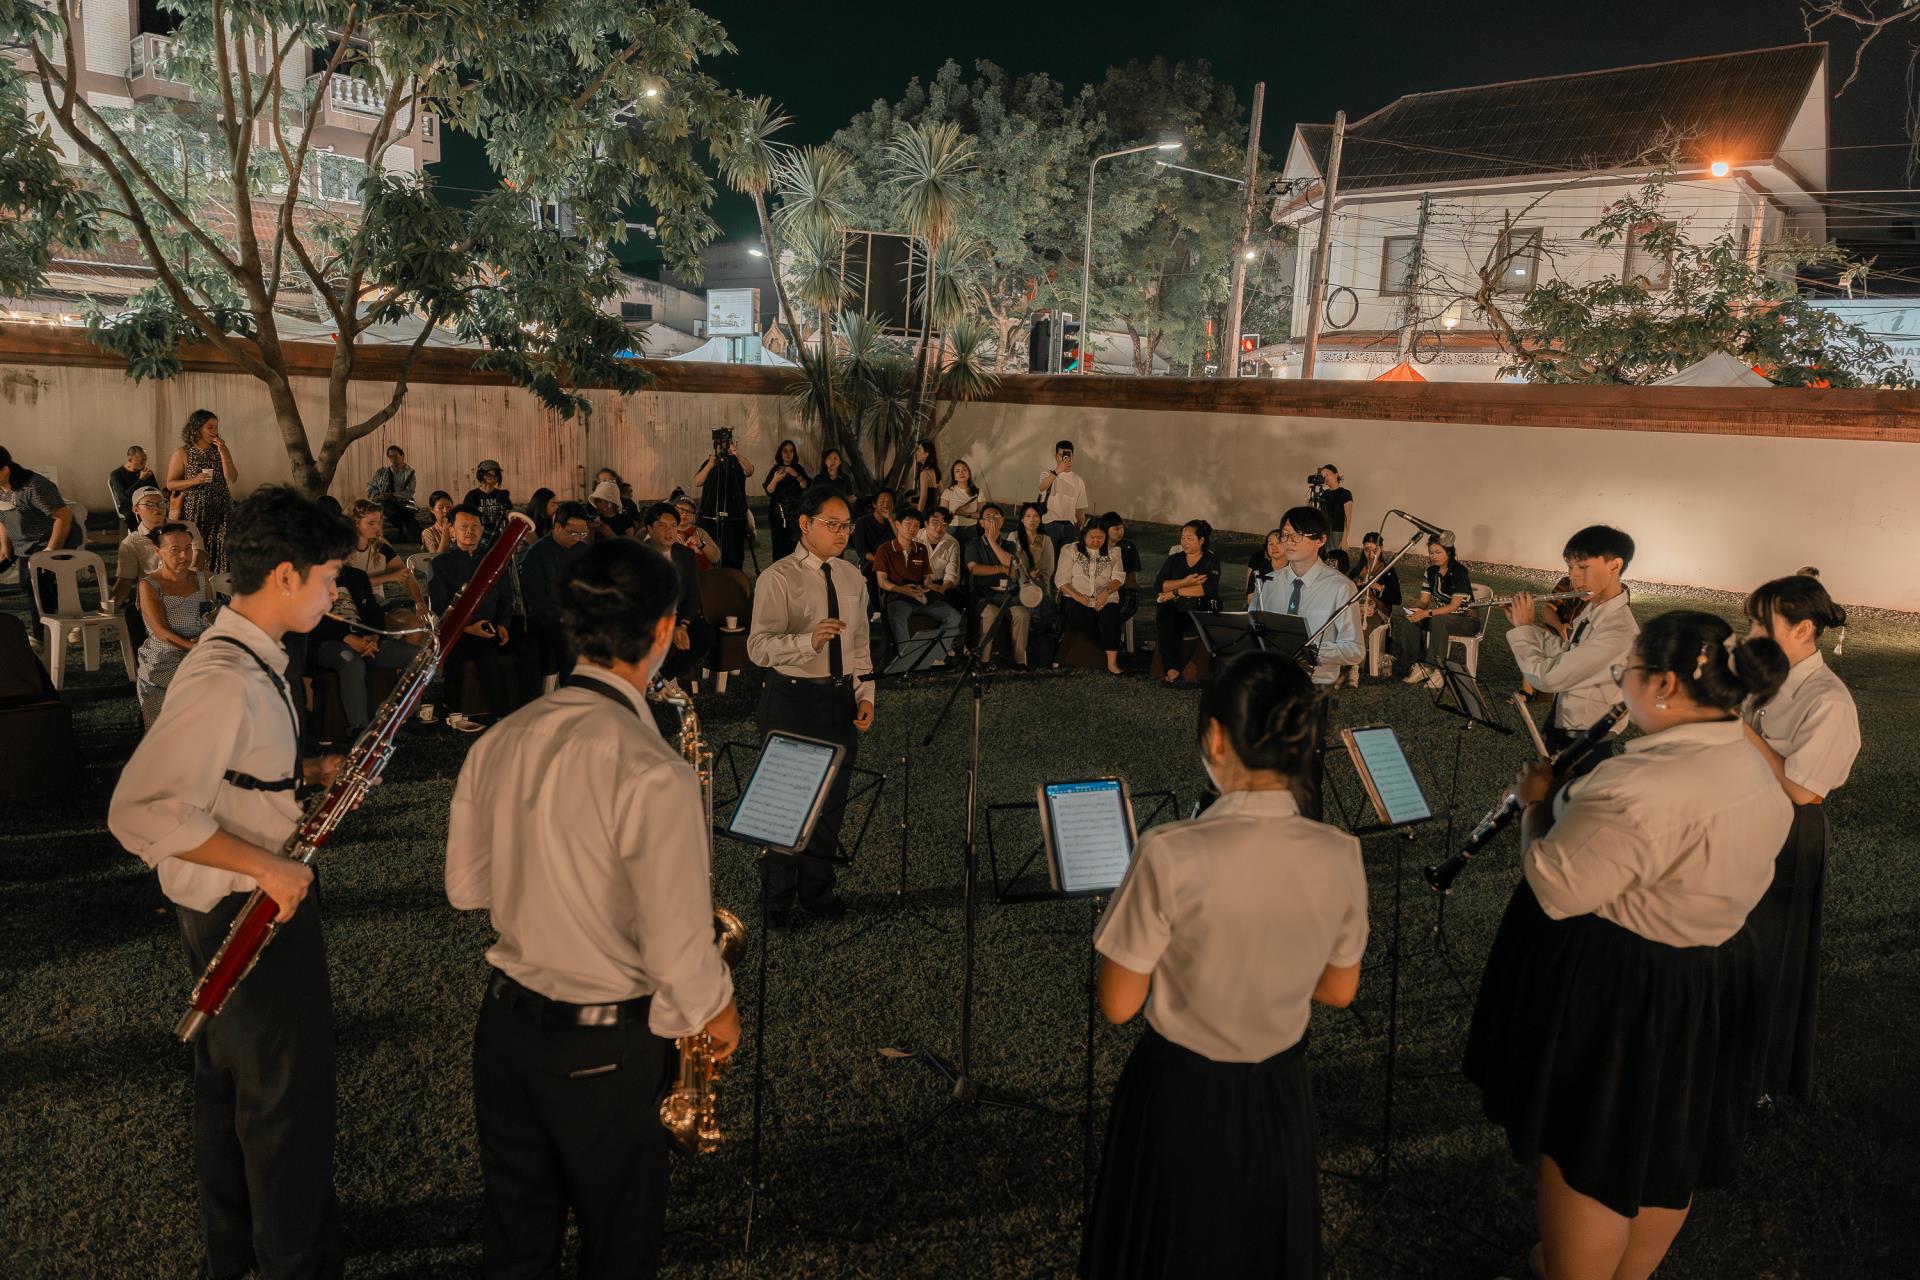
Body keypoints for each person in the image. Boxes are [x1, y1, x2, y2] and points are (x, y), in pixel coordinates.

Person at [445, 537, 741, 1280]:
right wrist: (719, 1012)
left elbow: (466, 890)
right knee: (619, 1248)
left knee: (516, 1246)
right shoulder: (652, 770)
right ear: (665, 628)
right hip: (605, 1049)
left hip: (504, 1033)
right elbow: (677, 950)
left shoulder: (500, 739)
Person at [1463, 611, 1792, 1280]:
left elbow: (1556, 886)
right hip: (1708, 980)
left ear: (1665, 684)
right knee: (1665, 1144)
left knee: (1590, 1146)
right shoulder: (1753, 766)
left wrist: (1536, 804)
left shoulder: (1635, 787)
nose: (1623, 684)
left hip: (1625, 986)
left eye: (1627, 672)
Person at [107, 486, 356, 1280]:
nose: (334, 593)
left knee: (229, 1083)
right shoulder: (225, 676)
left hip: (229, 900)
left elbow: (231, 773)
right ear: (285, 575)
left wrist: (308, 774)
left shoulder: (251, 659)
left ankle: (240, 1251)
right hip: (247, 906)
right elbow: (141, 810)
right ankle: (292, 1260)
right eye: (328, 577)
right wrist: (270, 865)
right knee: (285, 1098)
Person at [1083, 650, 1366, 1279]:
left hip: (1181, 1092)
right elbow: (1339, 989)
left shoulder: (1169, 851)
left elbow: (1119, 1004)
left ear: (1215, 737)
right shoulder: (1340, 852)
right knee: (1262, 1245)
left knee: (1170, 1245)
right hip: (1279, 1093)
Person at [1741, 574, 1860, 1109]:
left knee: (1770, 954)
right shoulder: (1766, 677)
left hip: (1788, 832)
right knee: (1731, 947)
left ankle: (1759, 1081)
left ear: (1803, 629)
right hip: (1745, 819)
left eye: (1760, 625)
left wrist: (1739, 730)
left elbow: (1804, 790)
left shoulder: (1828, 699)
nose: (1749, 635)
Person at [746, 487, 876, 926]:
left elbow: (860, 643)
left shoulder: (852, 575)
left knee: (832, 802)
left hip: (838, 699)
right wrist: (808, 641)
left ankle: (818, 891)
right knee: (786, 803)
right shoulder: (778, 577)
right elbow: (758, 648)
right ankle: (777, 898)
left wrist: (865, 695)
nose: (842, 533)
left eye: (847, 526)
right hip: (792, 698)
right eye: (832, 524)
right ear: (805, 524)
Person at [1249, 507, 1364, 820]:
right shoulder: (1269, 582)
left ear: (1320, 540)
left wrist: (1315, 653)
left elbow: (1355, 650)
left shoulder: (1340, 587)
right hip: (1271, 688)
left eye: (1297, 536)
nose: (1288, 542)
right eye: (1285, 534)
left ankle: (1309, 833)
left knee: (1305, 774)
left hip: (1312, 690)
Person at [1505, 526, 1639, 760]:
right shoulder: (1592, 610)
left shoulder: (1618, 632)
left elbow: (1547, 678)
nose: (1573, 576)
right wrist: (1527, 628)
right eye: (1570, 567)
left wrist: (1523, 630)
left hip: (1586, 743)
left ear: (1614, 565)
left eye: (1583, 567)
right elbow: (1567, 653)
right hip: (1563, 728)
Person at [432, 506, 515, 733]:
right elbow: (439, 605)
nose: (470, 531)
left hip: (489, 627)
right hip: (458, 630)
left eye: (475, 526)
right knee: (468, 653)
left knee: (514, 648)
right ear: (452, 531)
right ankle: (462, 712)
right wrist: (468, 628)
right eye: (463, 527)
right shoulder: (441, 564)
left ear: (482, 529)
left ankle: (510, 711)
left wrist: (503, 623)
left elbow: (506, 597)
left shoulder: (494, 560)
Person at [134, 524, 215, 728]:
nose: (183, 556)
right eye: (175, 550)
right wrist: (194, 647)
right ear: (158, 552)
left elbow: (210, 617)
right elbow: (161, 631)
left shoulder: (203, 579)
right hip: (166, 658)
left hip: (202, 653)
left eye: (188, 548)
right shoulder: (149, 585)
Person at [0, 444, 78, 641]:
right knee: (29, 585)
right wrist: (5, 546)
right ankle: (64, 620)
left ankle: (44, 636)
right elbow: (2, 518)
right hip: (24, 542)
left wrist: (50, 551)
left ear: (5, 470)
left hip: (53, 539)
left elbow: (63, 517)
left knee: (36, 582)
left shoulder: (33, 486)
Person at [518, 502, 595, 685]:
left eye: (583, 533)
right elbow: (535, 598)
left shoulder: (586, 551)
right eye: (574, 533)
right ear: (558, 526)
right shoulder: (537, 554)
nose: (578, 538)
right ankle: (572, 691)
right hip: (551, 620)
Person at [873, 506, 962, 663]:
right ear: (898, 525)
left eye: (915, 525)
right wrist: (903, 589)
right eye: (908, 524)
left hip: (920, 596)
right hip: (898, 597)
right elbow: (882, 582)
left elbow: (927, 578)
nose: (912, 529)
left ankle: (934, 658)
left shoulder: (921, 549)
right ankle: (907, 661)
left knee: (954, 616)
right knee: (897, 617)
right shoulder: (885, 549)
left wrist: (929, 586)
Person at [1391, 536, 1474, 689]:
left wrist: (1426, 613)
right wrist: (1415, 608)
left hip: (1466, 619)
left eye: (1438, 552)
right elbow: (1424, 601)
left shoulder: (1460, 572)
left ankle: (1437, 669)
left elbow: (1454, 606)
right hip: (1441, 616)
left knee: (1438, 620)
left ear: (1448, 552)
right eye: (1431, 553)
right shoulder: (1430, 572)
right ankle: (1417, 663)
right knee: (1411, 617)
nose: (1434, 556)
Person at [642, 501, 710, 687]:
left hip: (677, 617)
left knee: (704, 633)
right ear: (649, 528)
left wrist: (683, 625)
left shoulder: (685, 555)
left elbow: (693, 594)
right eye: (662, 525)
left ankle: (663, 678)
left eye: (673, 526)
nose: (669, 531)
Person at [166, 410, 238, 573]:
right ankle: (199, 584)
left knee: (222, 547)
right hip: (195, 511)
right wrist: (194, 480)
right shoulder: (183, 453)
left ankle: (220, 585)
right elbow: (170, 484)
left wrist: (224, 452)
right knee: (198, 549)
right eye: (210, 427)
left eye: (216, 427)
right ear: (197, 428)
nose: (214, 431)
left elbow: (232, 478)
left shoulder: (220, 450)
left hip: (222, 508)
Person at [1152, 519, 1222, 685]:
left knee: (1188, 617)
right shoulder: (1174, 559)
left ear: (1201, 540)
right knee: (1165, 615)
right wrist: (1185, 582)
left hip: (1202, 604)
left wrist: (1175, 591)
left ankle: (1174, 670)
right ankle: (1172, 670)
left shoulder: (1210, 560)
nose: (1184, 542)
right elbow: (1159, 585)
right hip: (1174, 605)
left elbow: (1206, 590)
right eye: (1183, 537)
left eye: (1189, 538)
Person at [1055, 521, 1126, 675]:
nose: (1096, 541)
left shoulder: (1114, 552)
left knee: (1110, 619)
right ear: (1084, 535)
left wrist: (1106, 593)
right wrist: (1079, 597)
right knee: (1083, 618)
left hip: (1106, 597)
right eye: (1092, 537)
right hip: (1076, 597)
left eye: (1100, 538)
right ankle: (1084, 653)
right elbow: (1061, 580)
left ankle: (1112, 663)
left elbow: (1118, 577)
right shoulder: (1070, 550)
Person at [343, 499, 424, 625]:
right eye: (371, 523)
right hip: (349, 606)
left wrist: (420, 603)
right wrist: (389, 577)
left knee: (412, 624)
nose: (377, 527)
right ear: (355, 523)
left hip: (376, 605)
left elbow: (406, 575)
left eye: (379, 522)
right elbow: (350, 584)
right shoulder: (342, 549)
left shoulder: (380, 546)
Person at [966, 505, 1028, 668]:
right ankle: (983, 661)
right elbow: (975, 569)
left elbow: (1013, 570)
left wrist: (993, 541)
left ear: (1002, 521)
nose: (992, 520)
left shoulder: (1009, 545)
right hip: (983, 595)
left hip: (1007, 596)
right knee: (991, 614)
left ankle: (1019, 661)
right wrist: (1001, 569)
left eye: (996, 516)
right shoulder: (974, 544)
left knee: (1022, 614)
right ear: (981, 523)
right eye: (988, 517)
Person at [1341, 531, 1401, 688]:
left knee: (1362, 627)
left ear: (1380, 550)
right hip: (1356, 610)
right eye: (1366, 549)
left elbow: (1396, 598)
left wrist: (1377, 586)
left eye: (1374, 550)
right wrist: (1355, 584)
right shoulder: (1358, 569)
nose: (1370, 553)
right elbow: (1345, 589)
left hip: (1377, 613)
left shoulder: (1387, 571)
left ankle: (1355, 668)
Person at [693, 430, 754, 569]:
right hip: (710, 516)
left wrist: (736, 453)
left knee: (733, 556)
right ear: (715, 447)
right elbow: (697, 481)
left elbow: (749, 471)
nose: (724, 448)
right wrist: (710, 464)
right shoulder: (710, 463)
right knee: (709, 554)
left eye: (726, 444)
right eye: (720, 445)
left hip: (734, 517)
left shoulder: (737, 462)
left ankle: (732, 578)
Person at [1011, 500, 1059, 666]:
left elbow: (1048, 569)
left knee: (1040, 601)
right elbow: (1013, 564)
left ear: (1040, 519)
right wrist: (1026, 575)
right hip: (1017, 585)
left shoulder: (1045, 540)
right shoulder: (1014, 537)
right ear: (1022, 519)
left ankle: (1036, 652)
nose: (1032, 519)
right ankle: (1025, 653)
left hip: (1039, 585)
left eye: (1036, 516)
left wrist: (1035, 577)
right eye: (1028, 516)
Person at [763, 439, 811, 561]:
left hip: (795, 514)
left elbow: (805, 485)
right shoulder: (776, 470)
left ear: (794, 453)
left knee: (795, 546)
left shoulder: (798, 468)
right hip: (778, 514)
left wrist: (794, 473)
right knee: (779, 546)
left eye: (791, 451)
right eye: (785, 451)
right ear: (780, 453)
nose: (788, 454)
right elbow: (769, 490)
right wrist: (776, 479)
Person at [1036, 439, 1086, 549]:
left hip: (1070, 527)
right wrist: (1058, 471)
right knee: (1048, 557)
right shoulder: (1047, 474)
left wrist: (1080, 529)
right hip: (1049, 525)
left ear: (1072, 456)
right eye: (1061, 455)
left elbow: (1080, 509)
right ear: (1056, 456)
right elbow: (1042, 487)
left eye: (1068, 455)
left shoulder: (1078, 480)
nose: (1065, 458)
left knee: (1067, 558)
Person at [916, 506, 966, 612]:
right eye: (935, 523)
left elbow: (952, 574)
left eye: (944, 524)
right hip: (917, 583)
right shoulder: (915, 538)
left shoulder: (952, 543)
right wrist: (925, 583)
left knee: (961, 600)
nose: (939, 527)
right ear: (926, 523)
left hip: (940, 584)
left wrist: (943, 588)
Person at [365, 444, 419, 542]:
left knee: (412, 522)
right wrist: (377, 496)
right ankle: (400, 530)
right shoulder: (382, 472)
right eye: (390, 456)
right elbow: (371, 486)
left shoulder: (409, 473)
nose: (393, 459)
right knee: (387, 510)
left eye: (395, 456)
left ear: (402, 455)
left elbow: (409, 492)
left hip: (404, 501)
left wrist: (392, 495)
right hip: (386, 503)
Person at [462, 460, 514, 547]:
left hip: (499, 536)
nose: (492, 478)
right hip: (480, 537)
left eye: (496, 475)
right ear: (481, 475)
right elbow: (465, 517)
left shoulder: (502, 494)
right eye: (489, 475)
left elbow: (509, 513)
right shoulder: (472, 496)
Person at [1103, 513, 1141, 626]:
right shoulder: (1098, 546)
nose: (1119, 532)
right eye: (1116, 528)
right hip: (1100, 590)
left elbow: (1131, 579)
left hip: (1123, 591)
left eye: (1121, 528)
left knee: (1110, 622)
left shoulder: (1127, 547)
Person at [848, 487, 896, 575]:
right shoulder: (861, 523)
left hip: (893, 564)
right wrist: (881, 561)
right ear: (874, 504)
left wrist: (890, 519)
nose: (886, 505)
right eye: (882, 502)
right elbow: (862, 551)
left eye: (889, 502)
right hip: (870, 564)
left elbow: (903, 541)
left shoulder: (895, 523)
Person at [108, 444, 155, 531]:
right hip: (129, 507)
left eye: (145, 460)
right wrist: (140, 480)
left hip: (148, 504)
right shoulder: (117, 474)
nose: (144, 464)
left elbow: (156, 490)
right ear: (130, 460)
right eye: (141, 461)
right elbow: (124, 497)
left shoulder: (146, 472)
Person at [941, 459, 987, 544]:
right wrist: (953, 513)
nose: (961, 473)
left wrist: (965, 514)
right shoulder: (948, 492)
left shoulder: (978, 492)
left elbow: (982, 514)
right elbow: (942, 515)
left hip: (971, 529)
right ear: (954, 477)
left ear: (969, 474)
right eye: (957, 471)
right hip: (952, 529)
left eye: (964, 470)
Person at [1311, 464, 1353, 557]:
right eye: (1323, 476)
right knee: (1326, 559)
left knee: (1337, 559)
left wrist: (1344, 539)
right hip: (1325, 533)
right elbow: (1319, 514)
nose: (1325, 478)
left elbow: (1348, 518)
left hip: (1338, 532)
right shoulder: (1323, 494)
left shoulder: (1345, 493)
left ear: (1336, 475)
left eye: (1327, 474)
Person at [672, 496, 721, 570]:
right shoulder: (666, 531)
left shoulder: (699, 532)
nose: (684, 513)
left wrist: (701, 545)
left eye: (689, 511)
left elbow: (716, 558)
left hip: (702, 574)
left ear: (693, 516)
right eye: (681, 509)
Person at [1246, 528, 1284, 599]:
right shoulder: (1259, 570)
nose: (1274, 547)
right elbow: (1250, 598)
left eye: (1278, 543)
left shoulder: (1295, 569)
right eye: (1270, 544)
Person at [909, 438, 940, 516]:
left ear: (926, 454)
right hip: (933, 511)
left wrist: (918, 516)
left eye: (919, 450)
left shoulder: (924, 473)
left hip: (926, 513)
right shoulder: (933, 470)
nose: (916, 453)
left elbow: (923, 498)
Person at [419, 491, 455, 557]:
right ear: (432, 510)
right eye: (440, 508)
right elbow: (436, 558)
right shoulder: (428, 532)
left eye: (448, 507)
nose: (445, 511)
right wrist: (445, 532)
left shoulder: (459, 527)